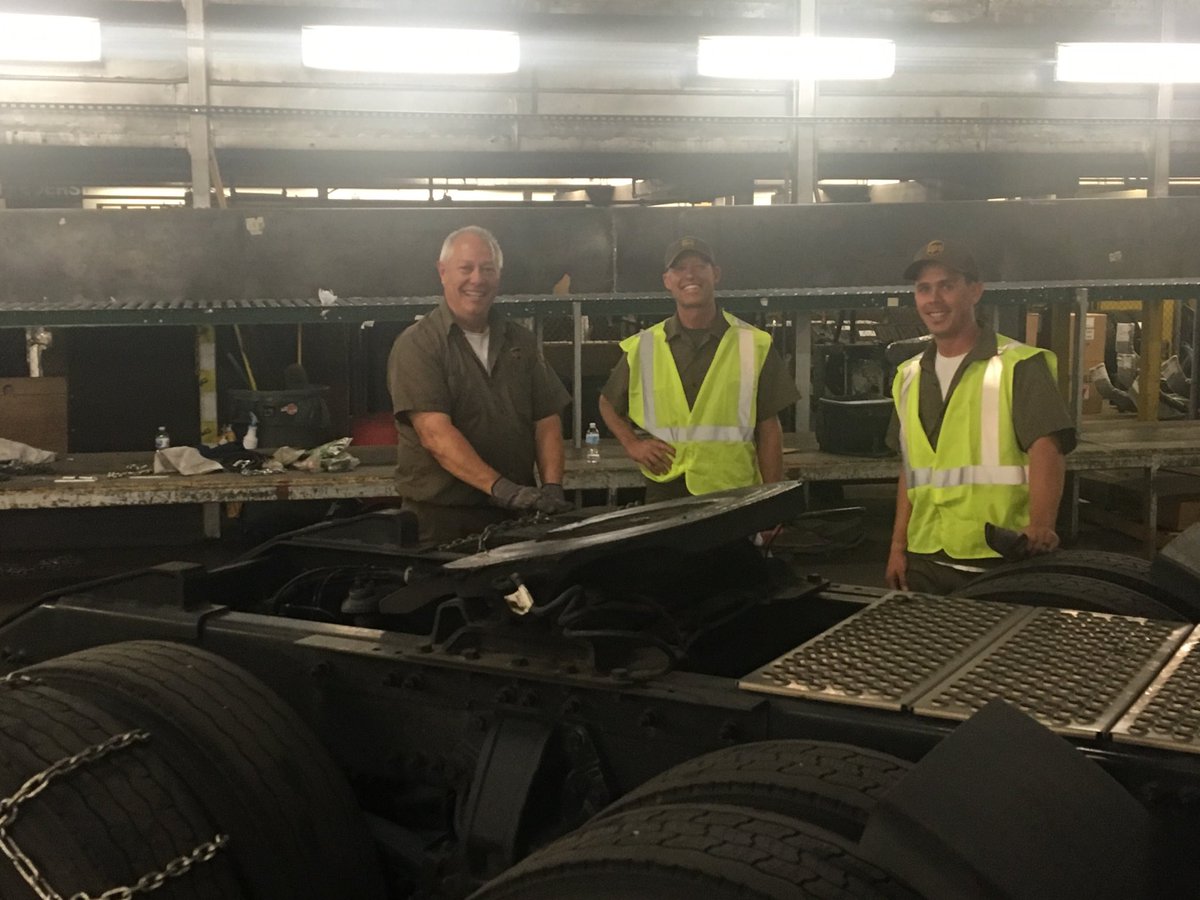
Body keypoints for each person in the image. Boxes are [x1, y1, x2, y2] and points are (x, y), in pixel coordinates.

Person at [885, 239, 1076, 595]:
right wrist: (898, 548)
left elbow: (1047, 448)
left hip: (999, 556)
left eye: (947, 286)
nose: (934, 299)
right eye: (923, 289)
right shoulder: (909, 376)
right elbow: (909, 469)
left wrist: (1040, 526)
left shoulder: (1019, 365)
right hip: (927, 556)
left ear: (975, 291)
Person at [387, 225, 573, 543]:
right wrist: (501, 488)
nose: (477, 279)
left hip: (514, 519)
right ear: (443, 272)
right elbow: (435, 435)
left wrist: (552, 488)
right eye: (466, 268)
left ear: (498, 276)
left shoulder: (521, 342)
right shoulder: (419, 345)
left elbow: (546, 418)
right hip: (442, 522)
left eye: (487, 269)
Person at [599, 236, 800, 503]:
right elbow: (607, 403)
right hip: (667, 488)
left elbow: (769, 428)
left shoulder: (754, 344)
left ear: (716, 274)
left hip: (733, 490)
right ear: (667, 281)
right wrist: (633, 444)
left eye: (700, 266)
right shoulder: (643, 346)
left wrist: (773, 499)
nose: (690, 275)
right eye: (679, 269)